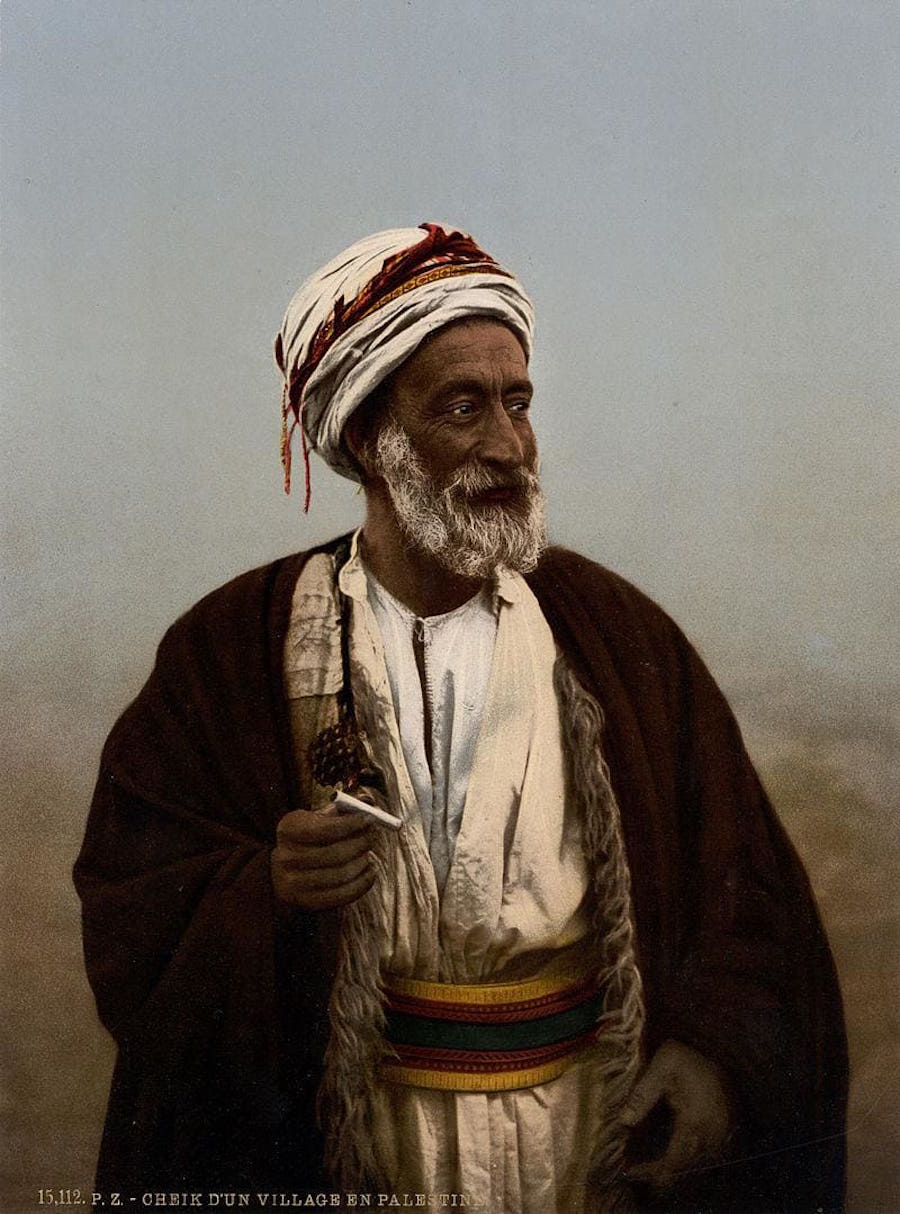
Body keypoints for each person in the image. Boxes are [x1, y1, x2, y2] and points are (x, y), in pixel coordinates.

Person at [75, 224, 847, 1213]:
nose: (508, 445)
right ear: (369, 437)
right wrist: (266, 889)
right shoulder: (229, 650)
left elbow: (745, 898)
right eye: (462, 406)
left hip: (587, 1140)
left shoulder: (615, 634)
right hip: (351, 1153)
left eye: (517, 403)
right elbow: (135, 910)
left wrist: (711, 1052)